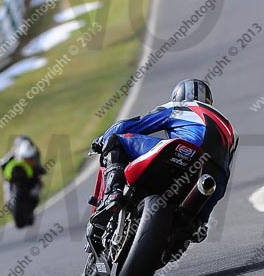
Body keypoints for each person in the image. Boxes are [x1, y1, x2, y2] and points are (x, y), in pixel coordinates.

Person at [90, 79, 238, 241]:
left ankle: (114, 193)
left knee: (115, 140)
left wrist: (102, 139)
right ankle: (197, 224)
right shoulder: (230, 127)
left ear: (178, 96)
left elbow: (132, 125)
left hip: (183, 153)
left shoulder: (181, 106)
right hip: (216, 178)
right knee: (195, 226)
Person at [0, 135, 46, 205]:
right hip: (14, 178)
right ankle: (9, 199)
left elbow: (40, 168)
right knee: (8, 192)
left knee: (38, 186)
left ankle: (32, 200)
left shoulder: (35, 152)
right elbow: (1, 163)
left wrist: (38, 170)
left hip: (30, 175)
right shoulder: (12, 155)